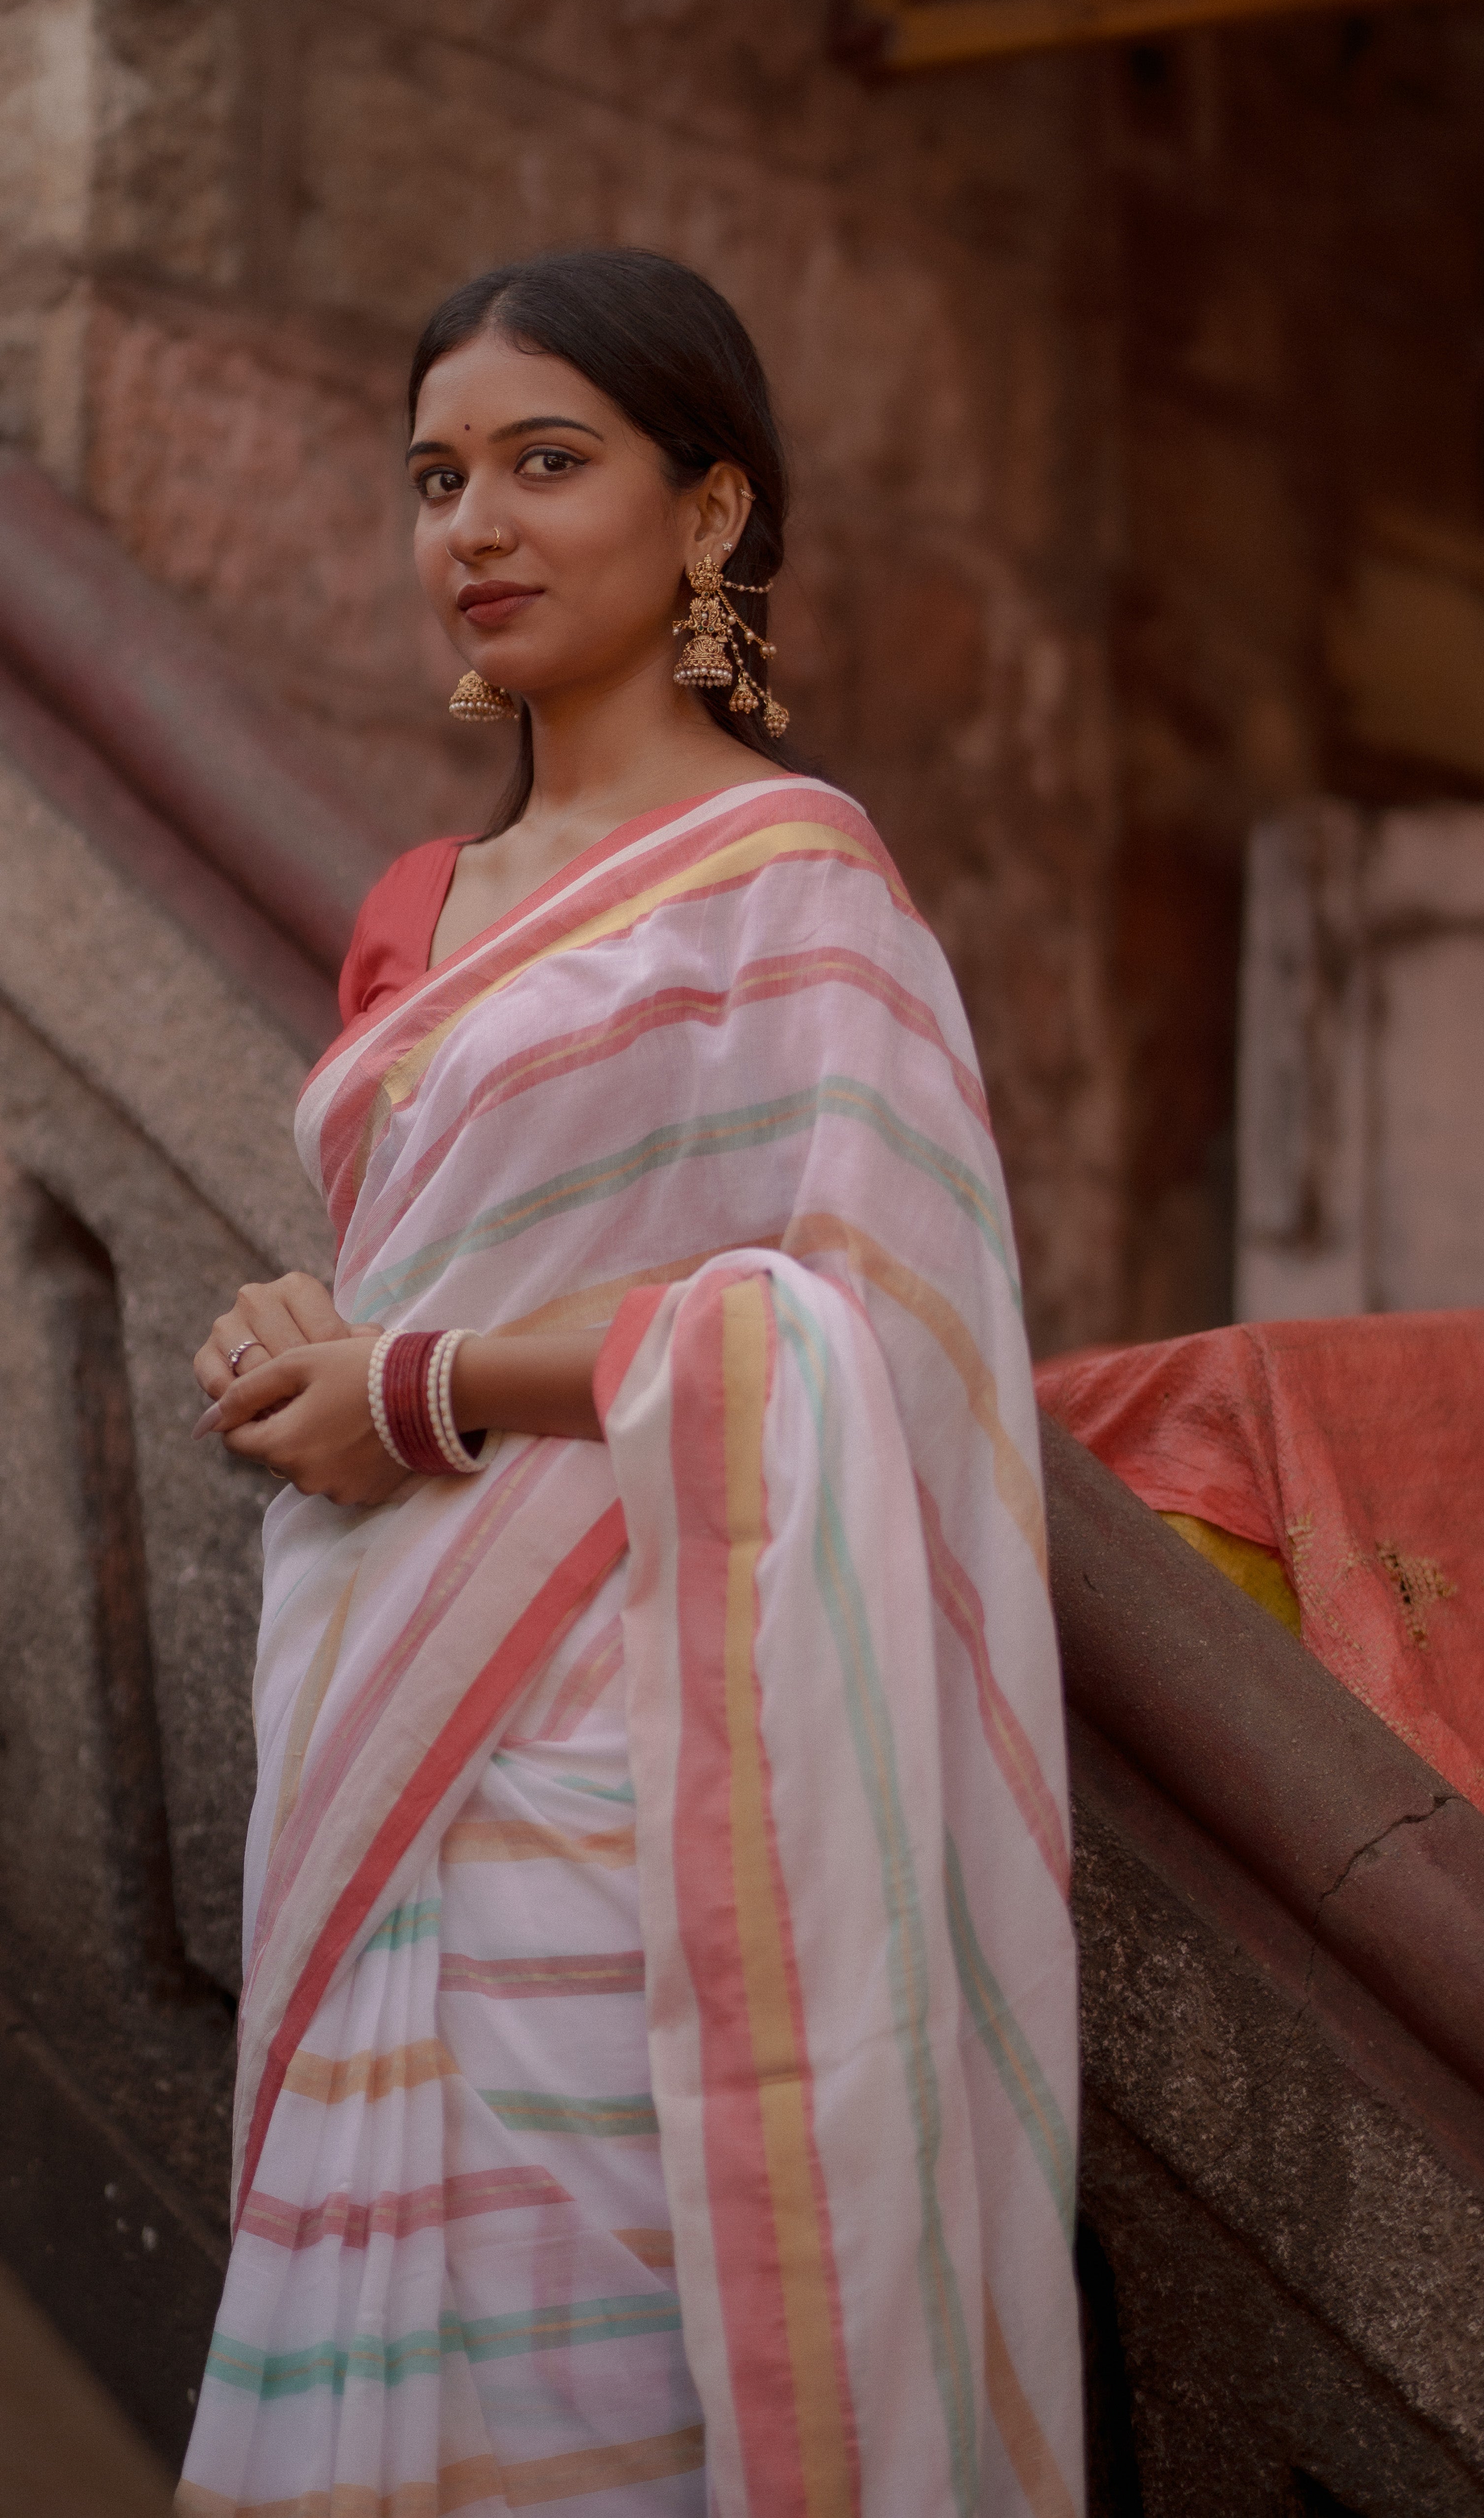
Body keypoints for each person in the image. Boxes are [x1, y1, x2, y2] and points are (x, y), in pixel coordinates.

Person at [177, 247, 1081, 2518]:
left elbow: (859, 1344)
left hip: (635, 1793)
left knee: (592, 2417)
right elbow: (423, 1273)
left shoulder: (807, 898)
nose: (471, 522)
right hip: (382, 1734)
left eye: (545, 462)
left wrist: (427, 1377)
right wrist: (311, 1335)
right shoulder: (424, 903)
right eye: (436, 474)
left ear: (707, 513)